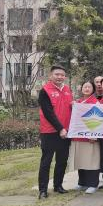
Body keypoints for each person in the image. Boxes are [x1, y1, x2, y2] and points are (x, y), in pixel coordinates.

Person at [37, 65, 73, 199]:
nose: (59, 77)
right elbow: (48, 113)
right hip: (50, 132)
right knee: (46, 161)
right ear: (50, 76)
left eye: (62, 75)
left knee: (62, 161)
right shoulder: (45, 91)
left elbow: (69, 108)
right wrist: (60, 128)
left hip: (66, 131)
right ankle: (43, 190)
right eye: (57, 74)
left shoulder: (67, 90)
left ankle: (58, 186)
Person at [69, 81, 100, 194]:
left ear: (93, 89)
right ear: (81, 89)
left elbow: (99, 120)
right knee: (81, 160)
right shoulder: (78, 102)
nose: (87, 89)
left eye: (89, 87)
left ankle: (93, 184)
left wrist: (94, 135)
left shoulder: (95, 102)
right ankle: (82, 182)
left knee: (91, 161)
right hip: (78, 135)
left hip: (90, 137)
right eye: (85, 87)